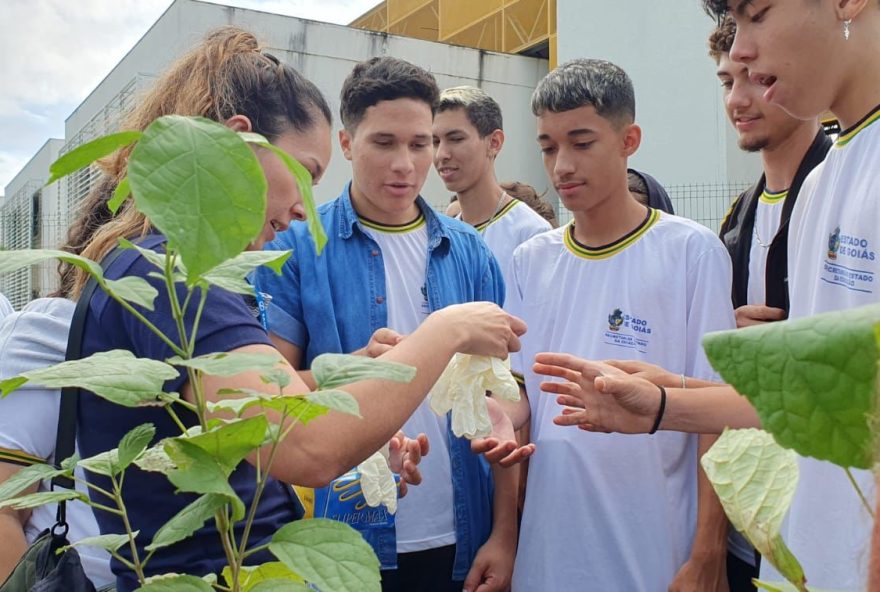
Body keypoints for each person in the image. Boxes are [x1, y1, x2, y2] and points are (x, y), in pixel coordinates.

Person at [59, 29, 523, 592]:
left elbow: (254, 419)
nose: (303, 210)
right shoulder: (175, 277)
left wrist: (354, 395)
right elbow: (308, 446)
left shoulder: (146, 267)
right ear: (240, 145)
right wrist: (444, 330)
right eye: (303, 173)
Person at [538, 1, 880, 587]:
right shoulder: (826, 180)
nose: (741, 50)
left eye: (758, 13)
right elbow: (819, 404)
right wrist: (672, 400)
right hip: (798, 565)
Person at [257, 57, 526, 592]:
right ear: (348, 142)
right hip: (343, 541)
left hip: (462, 534)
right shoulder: (293, 247)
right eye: (384, 143)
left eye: (420, 144)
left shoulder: (471, 250)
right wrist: (352, 370)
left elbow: (505, 390)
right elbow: (268, 399)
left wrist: (505, 531)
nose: (405, 163)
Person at [500, 58, 736, 591]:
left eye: (581, 143)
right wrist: (491, 416)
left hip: (652, 548)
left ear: (629, 139)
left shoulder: (691, 253)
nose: (561, 165)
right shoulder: (530, 259)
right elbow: (518, 393)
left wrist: (708, 551)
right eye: (547, 146)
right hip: (550, 550)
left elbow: (717, 414)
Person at [713, 15, 831, 329]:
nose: (736, 99)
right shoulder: (736, 216)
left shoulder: (845, 188)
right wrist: (724, 323)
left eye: (757, 78)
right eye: (727, 82)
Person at [433, 85, 552, 287]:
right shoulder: (442, 236)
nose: (441, 154)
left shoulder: (530, 233)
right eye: (435, 141)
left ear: (494, 142)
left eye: (456, 139)